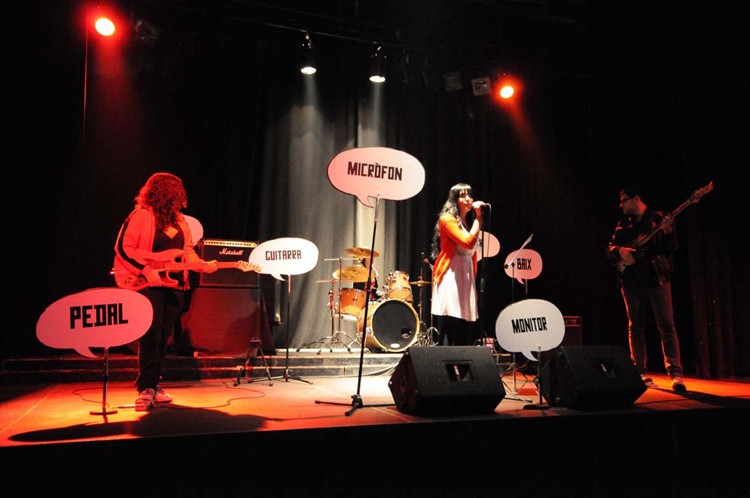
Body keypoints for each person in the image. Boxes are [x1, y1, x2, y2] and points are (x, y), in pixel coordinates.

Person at [114, 173, 218, 410]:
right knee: (151, 334)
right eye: (178, 193)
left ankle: (153, 383)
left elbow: (187, 252)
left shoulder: (180, 221)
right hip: (147, 283)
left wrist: (202, 265)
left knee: (163, 336)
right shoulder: (141, 216)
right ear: (168, 194)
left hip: (174, 284)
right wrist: (145, 270)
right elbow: (122, 248)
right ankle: (146, 388)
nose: (182, 198)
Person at [607, 186, 686, 392]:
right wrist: (620, 250)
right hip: (632, 282)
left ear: (636, 199)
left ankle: (676, 374)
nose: (621, 205)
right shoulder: (624, 224)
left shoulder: (659, 218)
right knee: (636, 327)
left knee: (667, 326)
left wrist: (668, 232)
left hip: (657, 279)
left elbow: (671, 248)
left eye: (624, 200)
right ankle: (639, 372)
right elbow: (610, 249)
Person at [430, 183, 485, 345]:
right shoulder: (447, 219)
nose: (468, 199)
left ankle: (459, 357)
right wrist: (479, 218)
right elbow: (467, 243)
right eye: (462, 196)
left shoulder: (464, 222)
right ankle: (446, 356)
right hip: (451, 273)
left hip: (464, 273)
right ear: (454, 199)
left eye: (470, 195)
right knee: (451, 318)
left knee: (461, 321)